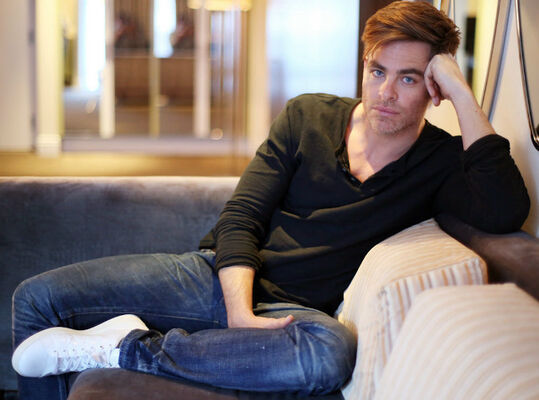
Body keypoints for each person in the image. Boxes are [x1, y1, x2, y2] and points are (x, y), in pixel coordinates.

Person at [12, 2, 529, 399]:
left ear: (434, 89)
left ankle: (123, 350)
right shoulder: (308, 116)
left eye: (409, 78)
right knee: (36, 299)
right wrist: (239, 309)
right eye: (378, 71)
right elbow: (241, 215)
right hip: (214, 278)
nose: (386, 92)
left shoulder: (440, 163)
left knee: (330, 353)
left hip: (291, 316)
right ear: (364, 67)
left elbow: (505, 210)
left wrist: (463, 94)